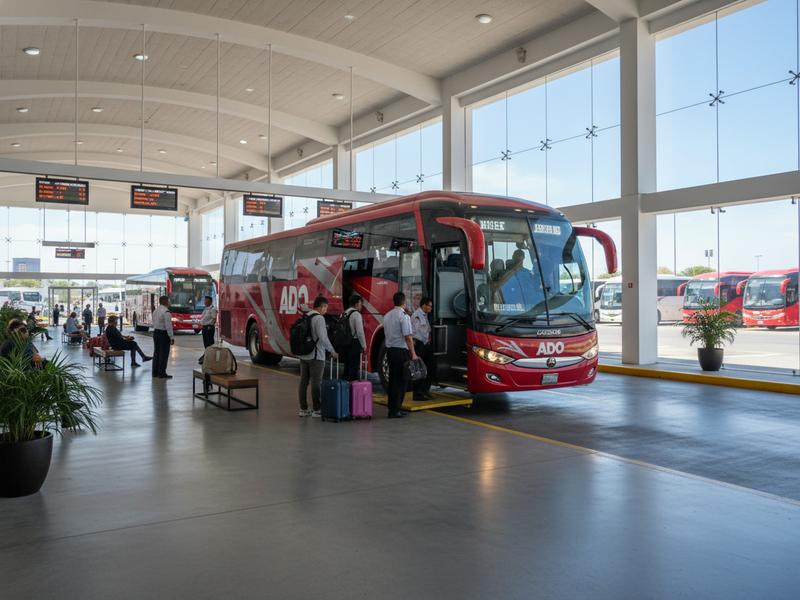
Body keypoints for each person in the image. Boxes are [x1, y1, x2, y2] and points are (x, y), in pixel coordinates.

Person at [297, 296, 337, 418]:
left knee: (303, 382)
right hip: (316, 356)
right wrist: (332, 350)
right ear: (321, 307)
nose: (326, 310)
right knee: (316, 383)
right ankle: (317, 409)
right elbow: (323, 337)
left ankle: (303, 409)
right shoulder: (319, 318)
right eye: (325, 307)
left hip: (304, 355)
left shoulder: (306, 316)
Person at [383, 291, 417, 419]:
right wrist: (413, 353)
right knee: (402, 381)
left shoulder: (387, 315)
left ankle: (392, 409)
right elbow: (408, 337)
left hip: (390, 351)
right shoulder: (404, 316)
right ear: (404, 302)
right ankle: (396, 410)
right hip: (400, 352)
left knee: (393, 380)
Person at [411, 297, 434, 401]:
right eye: (430, 306)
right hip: (419, 344)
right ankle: (417, 394)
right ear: (424, 305)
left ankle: (425, 390)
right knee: (419, 369)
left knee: (429, 367)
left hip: (425, 344)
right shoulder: (417, 315)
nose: (431, 308)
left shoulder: (425, 315)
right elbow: (414, 332)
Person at [342, 294, 366, 382]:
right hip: (354, 343)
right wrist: (364, 345)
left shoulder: (344, 313)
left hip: (345, 342)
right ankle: (353, 386)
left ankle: (344, 385)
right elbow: (360, 332)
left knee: (347, 366)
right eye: (360, 304)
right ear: (356, 304)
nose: (361, 306)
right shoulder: (356, 314)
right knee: (354, 366)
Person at [151, 295, 174, 379]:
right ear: (165, 301)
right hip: (163, 334)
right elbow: (168, 326)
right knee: (163, 354)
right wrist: (171, 337)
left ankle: (155, 372)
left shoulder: (156, 310)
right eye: (168, 301)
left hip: (156, 333)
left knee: (156, 353)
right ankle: (161, 373)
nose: (169, 302)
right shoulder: (166, 312)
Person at [198, 295, 217, 364]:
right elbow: (203, 318)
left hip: (209, 328)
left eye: (206, 301)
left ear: (210, 302)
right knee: (206, 343)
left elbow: (214, 319)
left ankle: (211, 357)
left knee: (210, 343)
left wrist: (210, 326)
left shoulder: (212, 309)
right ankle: (207, 356)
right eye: (204, 301)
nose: (205, 302)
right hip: (204, 327)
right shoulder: (206, 309)